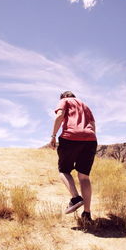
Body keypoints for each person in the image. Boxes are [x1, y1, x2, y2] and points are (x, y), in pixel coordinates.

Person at [50, 91, 97, 224]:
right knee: (84, 177)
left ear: (64, 97)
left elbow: (60, 116)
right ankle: (87, 214)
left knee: (64, 171)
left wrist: (53, 136)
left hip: (70, 138)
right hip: (90, 140)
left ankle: (76, 198)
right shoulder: (86, 106)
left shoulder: (65, 101)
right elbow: (93, 126)